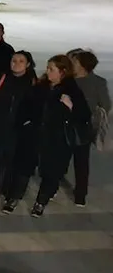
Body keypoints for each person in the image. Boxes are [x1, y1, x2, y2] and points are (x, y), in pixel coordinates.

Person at [31, 55, 92, 217]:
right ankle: (48, 191)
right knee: (44, 169)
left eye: (52, 69)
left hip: (60, 139)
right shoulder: (43, 86)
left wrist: (71, 106)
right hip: (41, 135)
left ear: (62, 72)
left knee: (52, 171)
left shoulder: (71, 90)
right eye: (48, 68)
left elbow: (85, 114)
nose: (47, 72)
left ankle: (40, 202)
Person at [0, 51, 37, 201]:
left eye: (21, 61)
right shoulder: (1, 78)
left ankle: (8, 189)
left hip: (19, 128)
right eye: (14, 60)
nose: (16, 63)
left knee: (12, 159)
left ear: (27, 64)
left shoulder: (32, 82)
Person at [70, 49, 110, 204]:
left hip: (84, 127)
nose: (71, 63)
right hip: (63, 125)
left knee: (81, 161)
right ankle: (54, 184)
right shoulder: (68, 80)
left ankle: (80, 194)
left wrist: (93, 117)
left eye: (74, 61)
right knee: (61, 158)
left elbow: (105, 105)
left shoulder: (98, 82)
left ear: (82, 65)